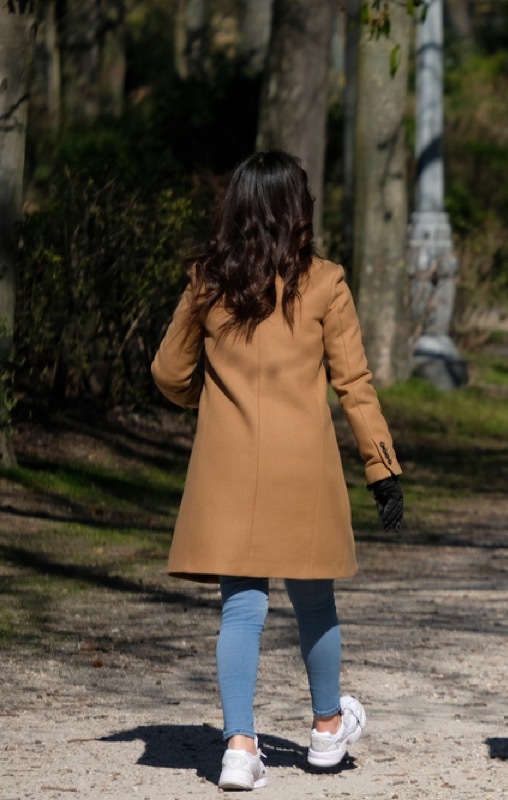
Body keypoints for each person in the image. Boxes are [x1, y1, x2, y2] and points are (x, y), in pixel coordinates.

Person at [152, 151, 406, 791]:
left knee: (241, 610)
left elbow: (167, 372)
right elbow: (353, 382)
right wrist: (382, 470)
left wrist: (207, 400)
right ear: (299, 212)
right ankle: (325, 731)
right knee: (314, 600)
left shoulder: (208, 282)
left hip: (229, 465)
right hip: (305, 467)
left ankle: (239, 746)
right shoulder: (325, 281)